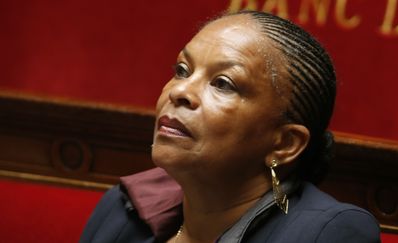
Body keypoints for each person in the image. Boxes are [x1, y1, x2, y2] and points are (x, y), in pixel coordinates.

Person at [80, 10, 381, 243]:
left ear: (285, 143)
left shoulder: (326, 233)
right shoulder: (125, 206)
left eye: (223, 84)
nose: (179, 91)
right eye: (182, 70)